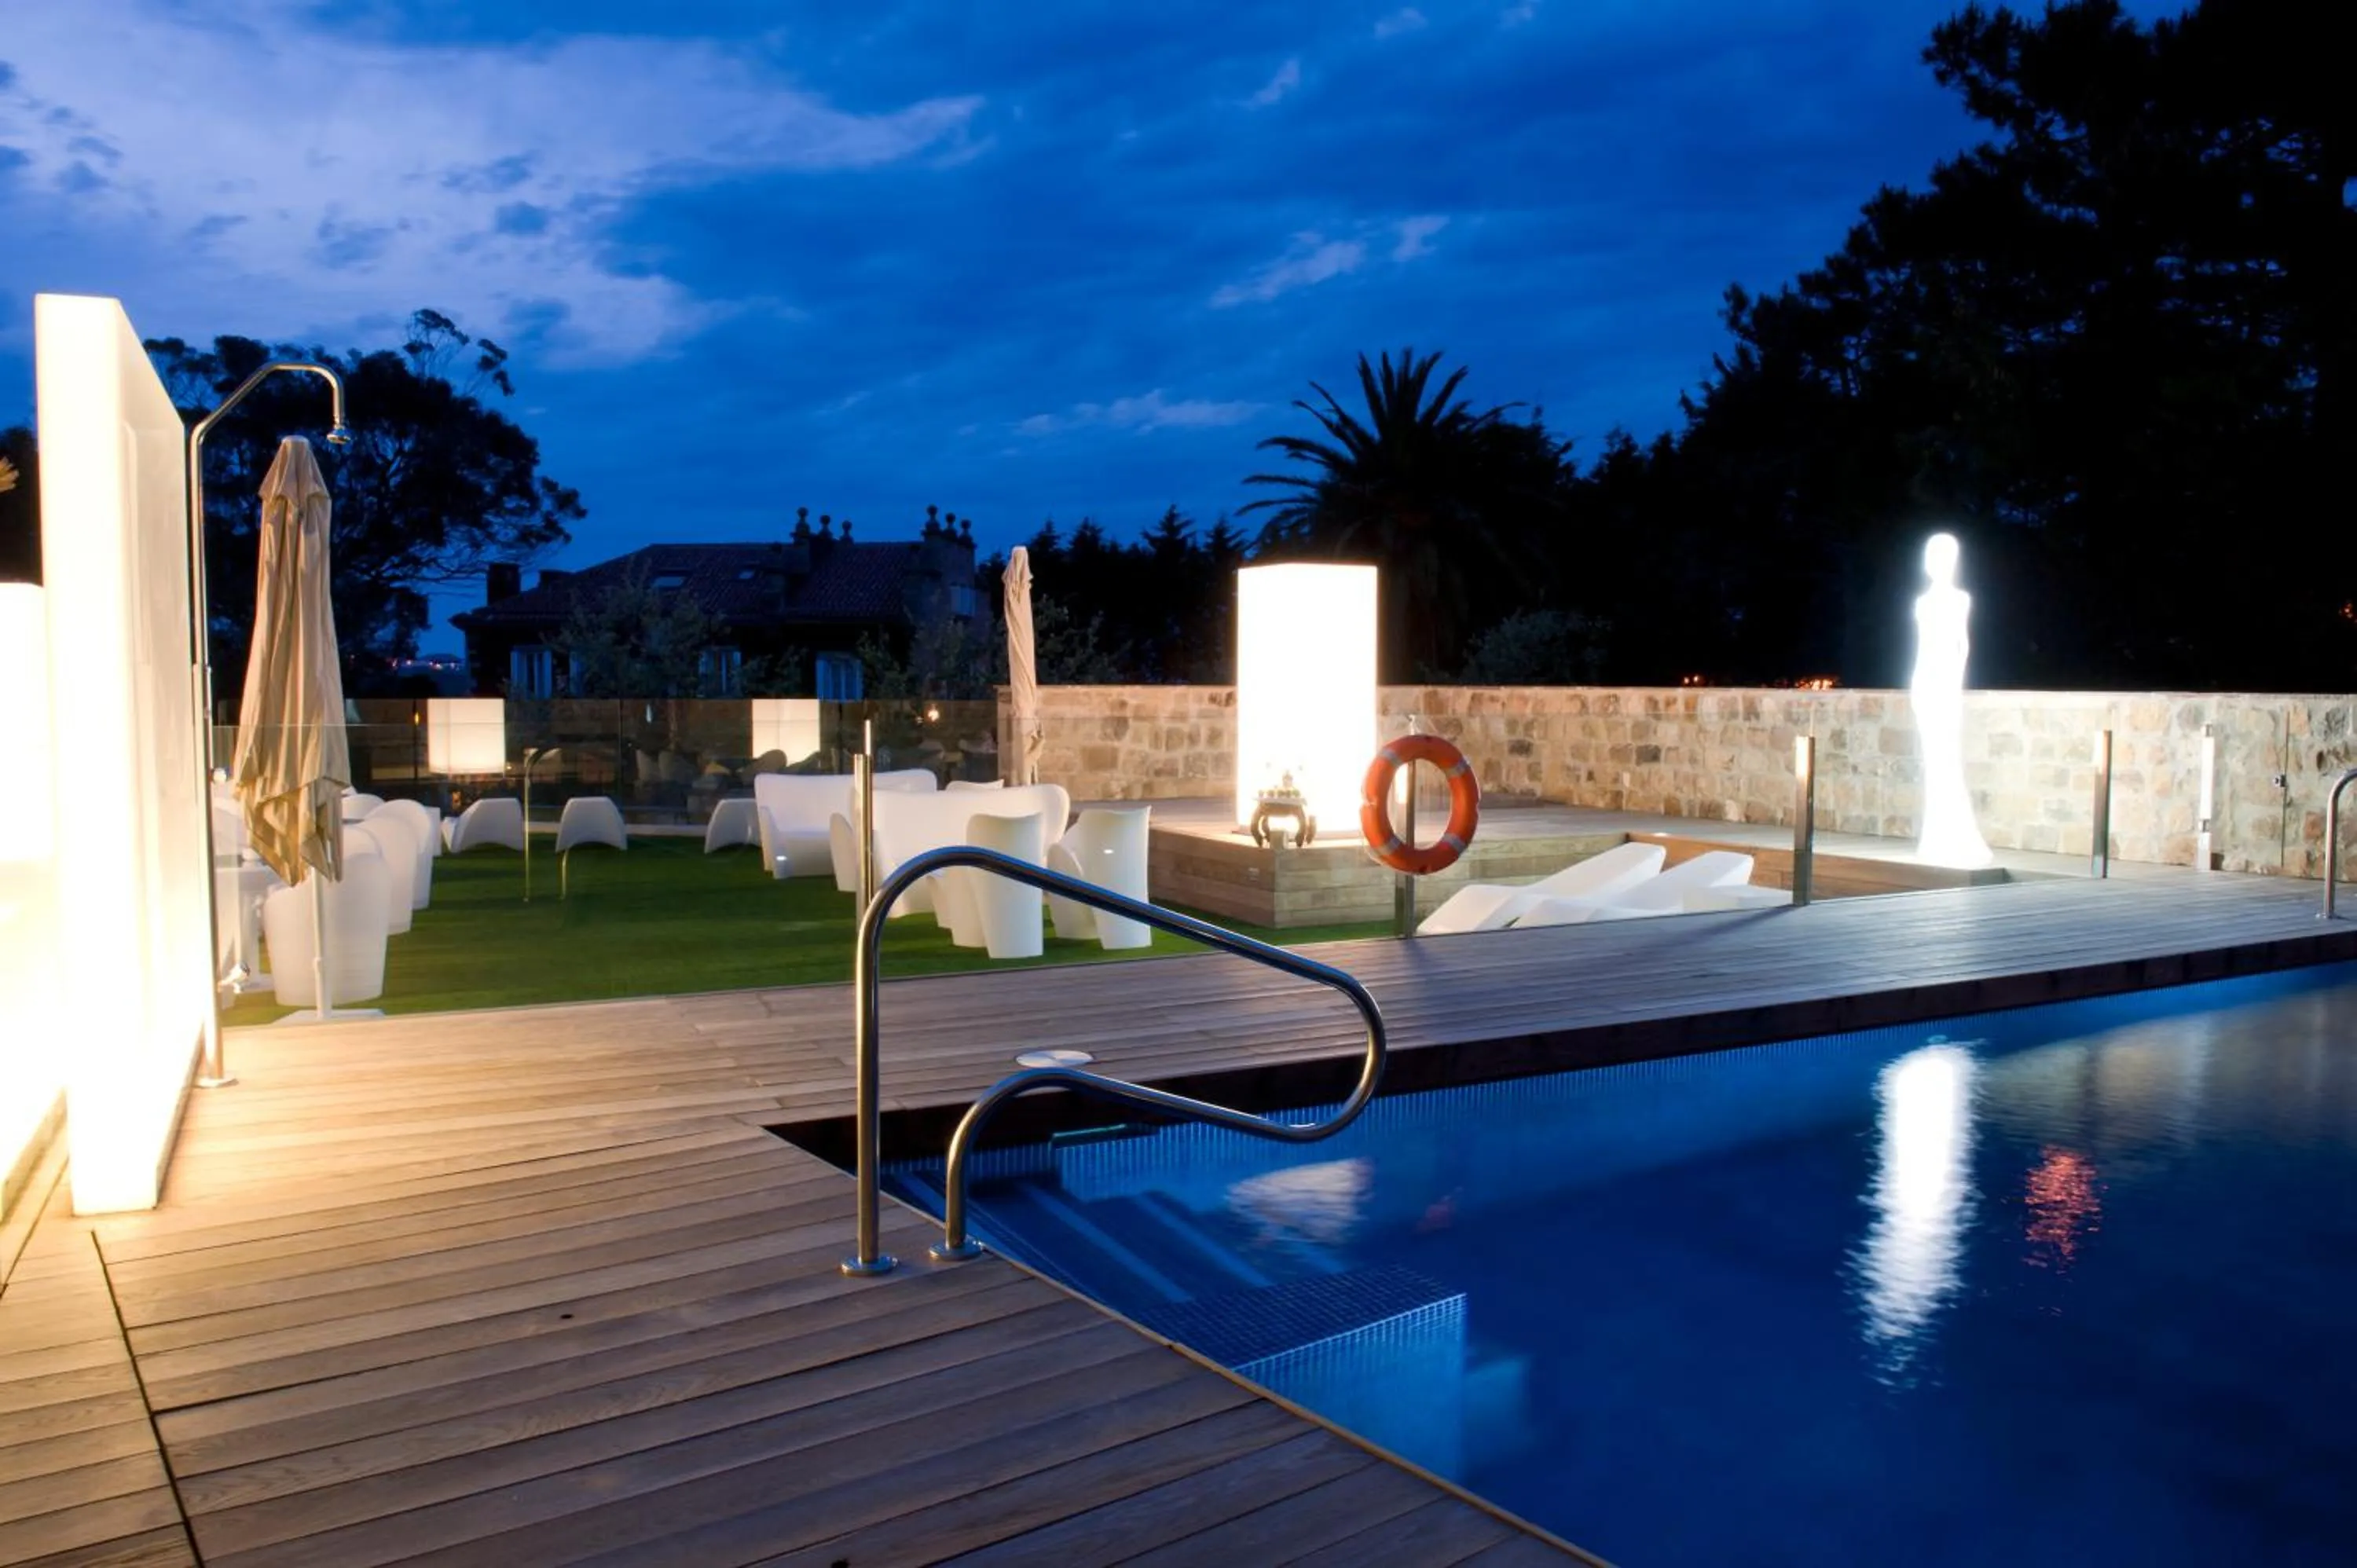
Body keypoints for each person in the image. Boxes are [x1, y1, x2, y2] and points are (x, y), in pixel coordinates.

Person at [1911, 533, 1993, 868]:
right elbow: (1921, 648)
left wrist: (1952, 685)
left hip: (1946, 685)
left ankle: (1957, 837)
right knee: (1934, 763)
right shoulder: (1922, 601)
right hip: (1926, 683)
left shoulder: (1960, 600)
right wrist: (1917, 684)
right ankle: (1936, 838)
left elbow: (1962, 646)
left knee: (1947, 761)